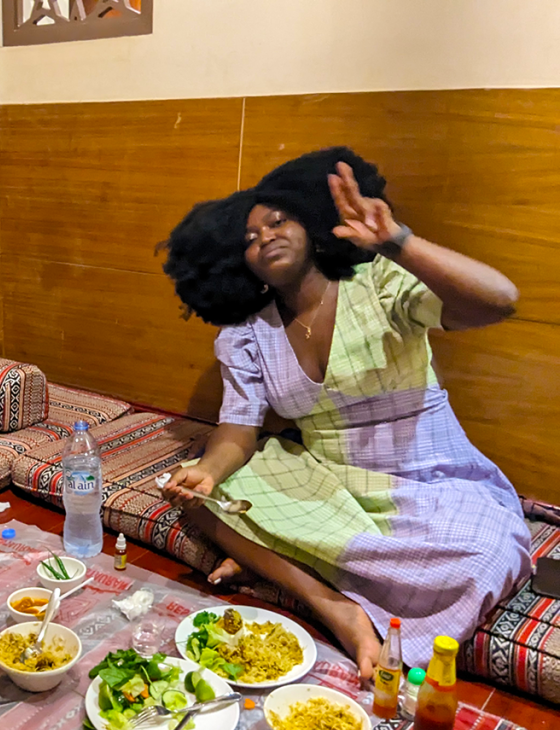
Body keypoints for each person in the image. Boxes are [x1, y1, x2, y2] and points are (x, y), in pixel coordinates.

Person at [160, 147, 531, 677]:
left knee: (487, 554)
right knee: (205, 502)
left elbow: (499, 301)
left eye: (278, 221)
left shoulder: (378, 282)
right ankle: (338, 608)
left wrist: (398, 242)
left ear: (312, 226)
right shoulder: (246, 331)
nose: (264, 236)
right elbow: (238, 432)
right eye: (248, 238)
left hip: (428, 476)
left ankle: (288, 557)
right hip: (324, 475)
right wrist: (207, 472)